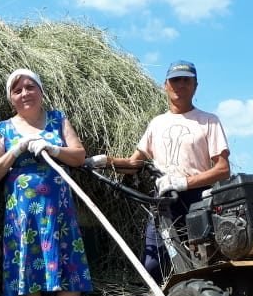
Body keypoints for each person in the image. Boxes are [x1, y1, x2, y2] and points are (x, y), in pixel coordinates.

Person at [90, 60, 231, 282]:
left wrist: (184, 182)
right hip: (163, 202)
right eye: (175, 80)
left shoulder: (208, 121)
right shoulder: (157, 123)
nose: (180, 85)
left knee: (201, 259)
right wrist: (105, 162)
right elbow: (135, 163)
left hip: (198, 201)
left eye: (187, 80)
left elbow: (223, 169)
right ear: (165, 85)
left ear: (196, 86)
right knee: (154, 262)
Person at [0, 68, 92, 296]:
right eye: (17, 90)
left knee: (70, 263)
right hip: (24, 215)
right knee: (27, 265)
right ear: (11, 99)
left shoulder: (57, 119)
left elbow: (78, 156)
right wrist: (16, 150)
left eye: (30, 87)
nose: (25, 94)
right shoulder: (3, 129)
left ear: (41, 91)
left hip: (59, 211)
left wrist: (53, 149)